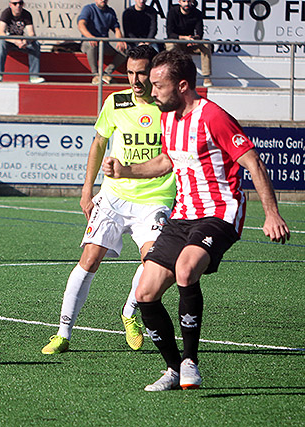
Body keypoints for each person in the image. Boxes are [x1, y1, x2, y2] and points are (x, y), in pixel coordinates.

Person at [102, 49, 290, 391]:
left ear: (183, 85)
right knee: (145, 292)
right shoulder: (168, 117)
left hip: (220, 212)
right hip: (182, 215)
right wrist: (126, 170)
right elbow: (166, 162)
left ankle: (190, 362)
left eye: (159, 84)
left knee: (187, 269)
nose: (151, 90)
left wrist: (272, 214)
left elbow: (254, 163)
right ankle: (173, 369)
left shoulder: (213, 117)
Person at [41, 45, 175, 355]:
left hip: (154, 198)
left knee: (154, 262)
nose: (135, 79)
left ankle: (130, 312)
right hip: (113, 196)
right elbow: (99, 142)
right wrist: (88, 189)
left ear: (154, 71)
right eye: (129, 72)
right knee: (88, 261)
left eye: (141, 72)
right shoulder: (115, 101)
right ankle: (63, 334)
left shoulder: (168, 106)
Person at [78, 0, 127, 84]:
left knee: (126, 49)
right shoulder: (88, 9)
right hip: (88, 43)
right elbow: (81, 24)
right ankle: (96, 75)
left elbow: (116, 29)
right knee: (92, 45)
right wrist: (90, 37)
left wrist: (120, 40)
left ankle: (106, 73)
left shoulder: (110, 12)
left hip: (104, 44)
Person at [0, 0, 45, 84]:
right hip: (9, 41)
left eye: (20, 3)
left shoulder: (26, 14)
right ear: (10, 5)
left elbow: (31, 33)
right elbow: (1, 33)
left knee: (35, 44)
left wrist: (26, 41)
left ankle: (34, 76)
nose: (18, 6)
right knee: (0, 42)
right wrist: (15, 41)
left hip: (21, 42)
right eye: (15, 4)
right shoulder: (6, 13)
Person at [165, 0, 212, 87]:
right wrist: (185, 38)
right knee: (170, 44)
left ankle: (206, 77)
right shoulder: (172, 12)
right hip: (177, 42)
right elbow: (170, 33)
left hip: (190, 43)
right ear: (179, 2)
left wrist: (194, 39)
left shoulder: (197, 13)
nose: (186, 4)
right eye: (184, 1)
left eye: (189, 1)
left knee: (206, 44)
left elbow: (200, 33)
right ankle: (175, 75)